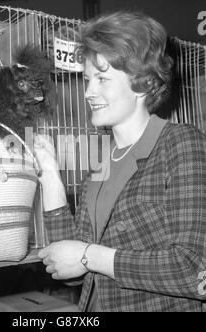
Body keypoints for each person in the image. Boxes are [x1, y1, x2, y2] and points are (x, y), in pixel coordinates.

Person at [33, 11, 206, 312]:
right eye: (87, 80)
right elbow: (71, 269)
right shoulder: (103, 162)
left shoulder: (180, 144)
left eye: (102, 79)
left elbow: (192, 268)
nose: (88, 92)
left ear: (141, 82)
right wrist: (49, 175)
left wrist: (91, 255)